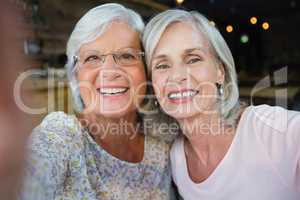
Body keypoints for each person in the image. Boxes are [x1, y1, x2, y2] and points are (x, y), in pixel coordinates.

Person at [21, 4, 174, 200]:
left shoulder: (161, 152)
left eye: (126, 56)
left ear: (146, 70)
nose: (110, 71)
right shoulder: (62, 136)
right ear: (76, 75)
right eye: (93, 57)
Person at [143, 9, 300, 199]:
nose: (177, 76)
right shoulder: (175, 160)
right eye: (162, 65)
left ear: (220, 71)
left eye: (193, 59)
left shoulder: (273, 131)